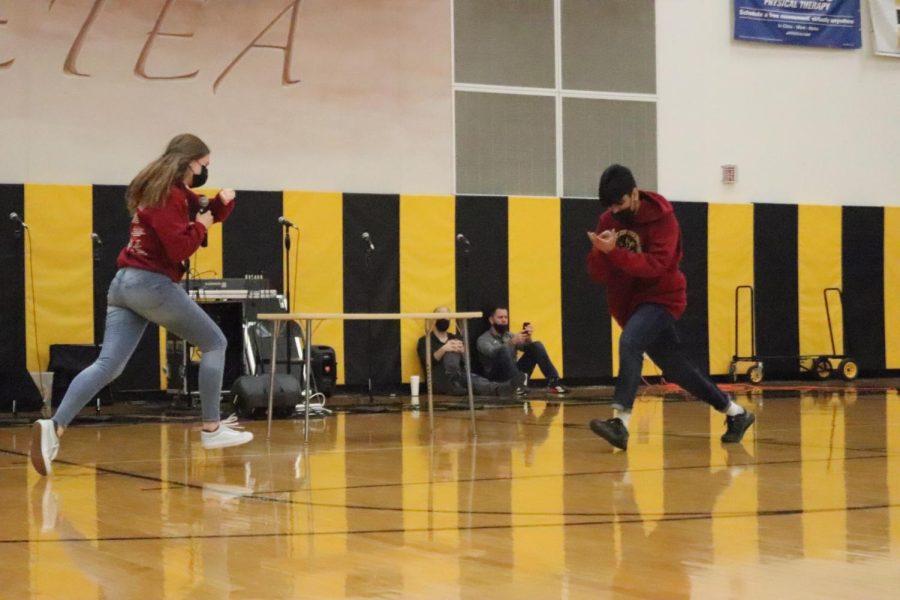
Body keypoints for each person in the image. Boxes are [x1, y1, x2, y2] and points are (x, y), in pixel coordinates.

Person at [29, 134, 253, 476]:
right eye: (204, 165)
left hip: (124, 286)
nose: (206, 171)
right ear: (189, 161)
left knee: (109, 365)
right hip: (150, 284)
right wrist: (203, 224)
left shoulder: (166, 191)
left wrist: (221, 204)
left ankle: (54, 428)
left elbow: (202, 209)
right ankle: (211, 428)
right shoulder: (167, 196)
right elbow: (180, 247)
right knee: (215, 343)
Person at [586, 164, 754, 450]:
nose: (615, 212)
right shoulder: (608, 219)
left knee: (630, 342)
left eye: (620, 203)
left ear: (635, 193)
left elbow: (657, 266)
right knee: (678, 370)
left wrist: (615, 253)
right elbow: (598, 275)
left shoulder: (664, 220)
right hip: (628, 305)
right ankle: (736, 414)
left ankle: (621, 422)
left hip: (662, 298)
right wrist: (601, 254)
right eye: (611, 207)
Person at [417, 306, 521, 398]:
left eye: (447, 317)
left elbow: (465, 362)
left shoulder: (454, 337)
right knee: (451, 351)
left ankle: (501, 388)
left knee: (477, 380)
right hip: (440, 379)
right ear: (434, 319)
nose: (445, 319)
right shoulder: (425, 340)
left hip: (459, 375)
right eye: (441, 316)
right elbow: (427, 361)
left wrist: (463, 351)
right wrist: (444, 348)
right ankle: (455, 383)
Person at [476, 307, 568, 395]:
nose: (504, 320)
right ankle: (517, 385)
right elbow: (493, 353)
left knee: (536, 345)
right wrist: (511, 343)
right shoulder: (483, 339)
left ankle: (553, 381)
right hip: (496, 377)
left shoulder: (509, 335)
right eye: (500, 317)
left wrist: (528, 339)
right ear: (491, 320)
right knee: (504, 350)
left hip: (514, 373)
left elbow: (527, 348)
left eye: (506, 317)